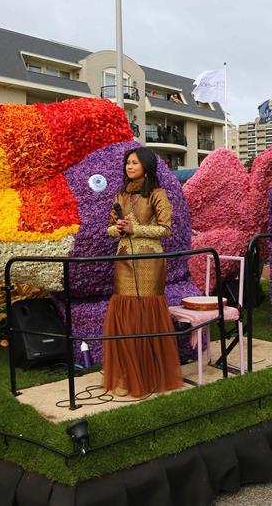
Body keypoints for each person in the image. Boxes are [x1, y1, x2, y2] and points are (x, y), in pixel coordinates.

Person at [102, 147, 183, 398]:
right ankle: (128, 374)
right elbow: (110, 230)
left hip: (150, 261)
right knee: (126, 317)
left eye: (134, 162)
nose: (129, 166)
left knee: (145, 315)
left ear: (146, 166)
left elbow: (166, 229)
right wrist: (120, 228)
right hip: (124, 259)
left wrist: (136, 228)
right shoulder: (120, 195)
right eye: (127, 163)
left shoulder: (158, 194)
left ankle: (150, 375)